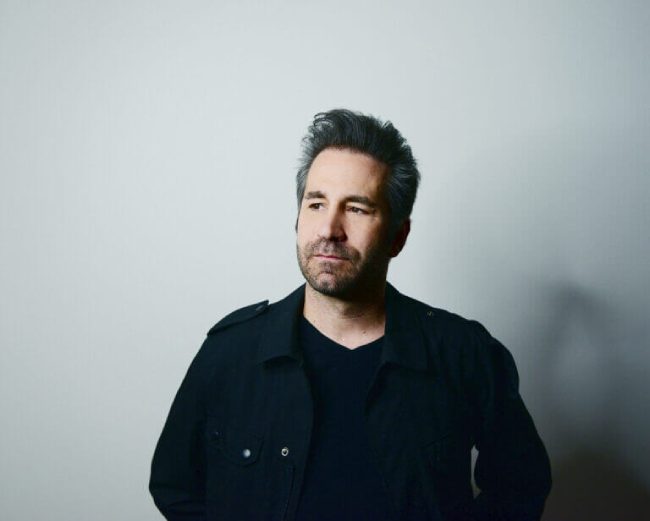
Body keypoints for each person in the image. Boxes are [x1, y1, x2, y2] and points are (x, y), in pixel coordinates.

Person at [149, 109, 552, 520]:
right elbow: (174, 486)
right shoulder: (231, 352)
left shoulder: (463, 354)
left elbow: (521, 486)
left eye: (357, 209)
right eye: (316, 203)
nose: (329, 229)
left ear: (398, 236)